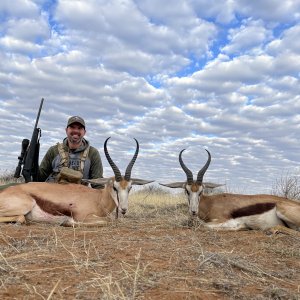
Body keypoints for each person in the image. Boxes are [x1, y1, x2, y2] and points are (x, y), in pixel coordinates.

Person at [38, 116, 103, 189]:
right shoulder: (53, 150)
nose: (76, 131)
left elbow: (98, 185)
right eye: (72, 127)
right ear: (66, 130)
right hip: (53, 196)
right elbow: (39, 178)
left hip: (79, 197)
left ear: (84, 132)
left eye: (79, 128)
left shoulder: (93, 153)